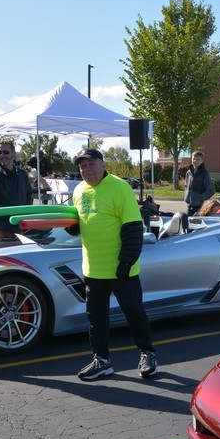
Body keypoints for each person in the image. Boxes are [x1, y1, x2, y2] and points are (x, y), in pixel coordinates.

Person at [69, 147, 156, 381]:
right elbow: (81, 223)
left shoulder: (119, 188)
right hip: (93, 269)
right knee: (96, 318)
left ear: (103, 164)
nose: (86, 169)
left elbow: (133, 228)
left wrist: (126, 262)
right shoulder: (79, 190)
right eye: (82, 166)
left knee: (134, 313)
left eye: (91, 164)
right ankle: (102, 361)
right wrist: (72, 227)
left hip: (121, 269)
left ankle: (147, 353)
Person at [0, 139, 34, 240]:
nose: (2, 155)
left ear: (13, 154)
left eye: (6, 152)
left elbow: (29, 195)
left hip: (18, 226)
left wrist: (24, 215)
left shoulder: (22, 174)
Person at [182, 150, 215, 216]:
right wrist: (187, 196)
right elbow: (186, 186)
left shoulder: (204, 174)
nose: (195, 161)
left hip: (199, 207)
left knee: (196, 222)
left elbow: (211, 190)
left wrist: (200, 198)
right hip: (189, 205)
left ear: (202, 160)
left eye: (198, 159)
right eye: (193, 159)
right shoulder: (188, 173)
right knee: (188, 221)